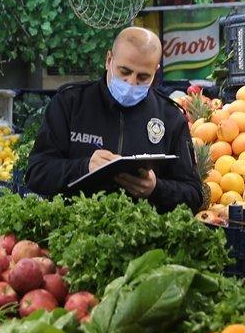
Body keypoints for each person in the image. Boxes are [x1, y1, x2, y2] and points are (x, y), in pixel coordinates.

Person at [25, 26, 202, 212]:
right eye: (124, 71)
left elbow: (194, 194)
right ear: (109, 60)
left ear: (155, 72)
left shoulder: (170, 117)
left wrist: (156, 189)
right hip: (74, 230)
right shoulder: (70, 103)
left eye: (143, 77)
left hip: (142, 235)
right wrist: (84, 167)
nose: (131, 83)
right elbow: (36, 173)